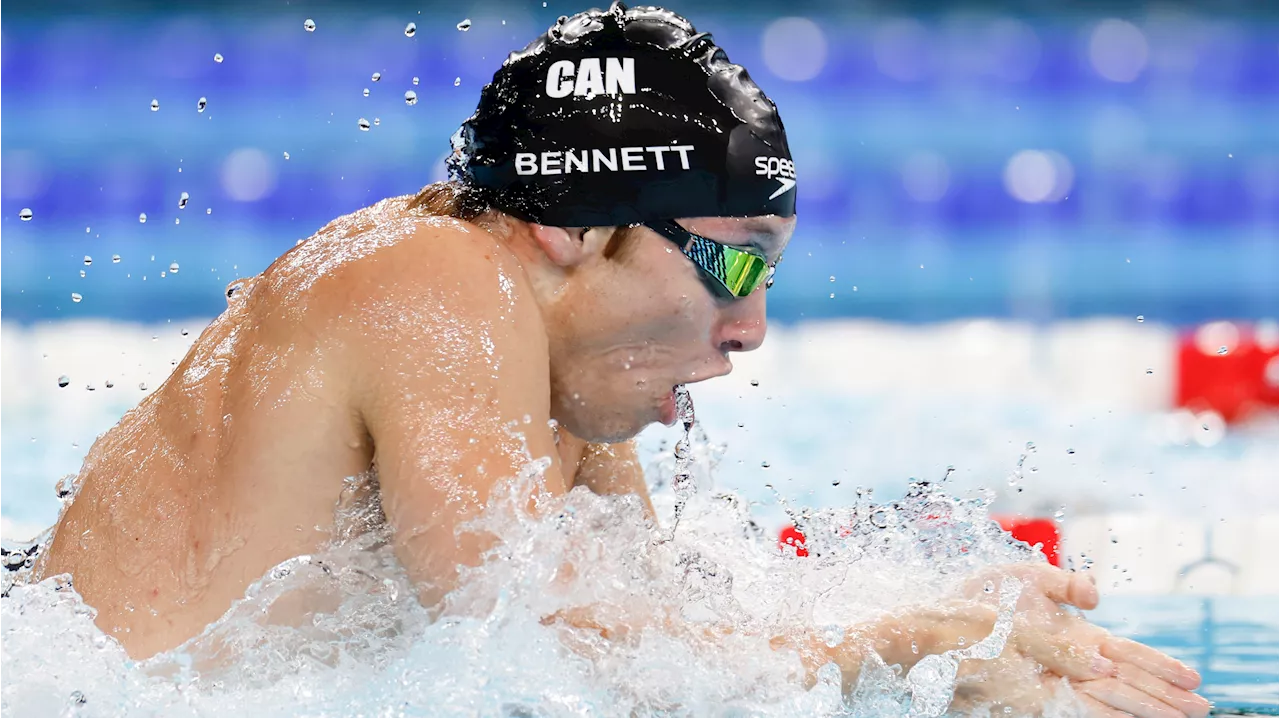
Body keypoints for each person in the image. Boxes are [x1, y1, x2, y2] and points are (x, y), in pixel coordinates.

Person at [30, 3, 1207, 715]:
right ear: (575, 225)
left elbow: (659, 649)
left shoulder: (555, 388)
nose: (747, 330)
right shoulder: (433, 282)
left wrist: (953, 650)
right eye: (734, 263)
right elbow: (533, 636)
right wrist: (903, 644)